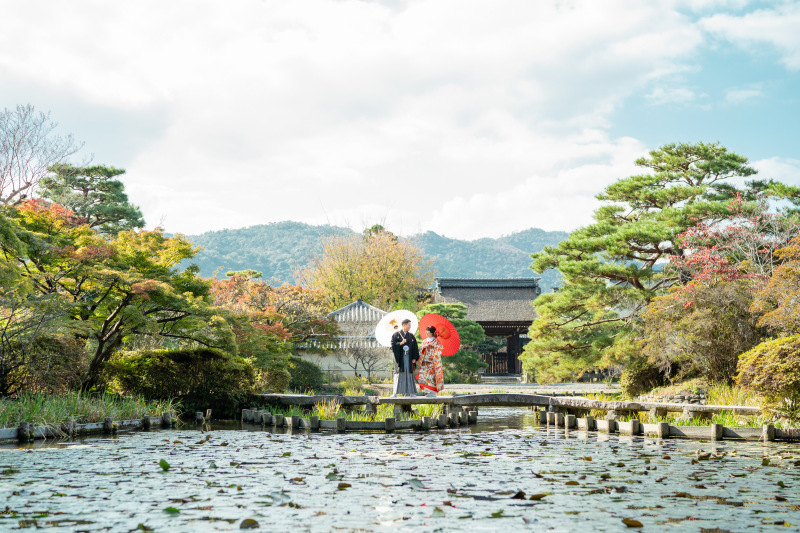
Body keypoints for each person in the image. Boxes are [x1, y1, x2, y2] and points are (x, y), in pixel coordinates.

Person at [390, 318, 419, 396]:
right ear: (404, 325)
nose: (410, 326)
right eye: (409, 325)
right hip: (400, 358)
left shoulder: (411, 336)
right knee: (399, 374)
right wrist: (400, 343)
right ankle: (395, 393)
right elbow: (392, 345)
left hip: (409, 358)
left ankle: (411, 392)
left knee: (409, 374)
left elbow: (415, 347)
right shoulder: (396, 335)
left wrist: (414, 358)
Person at [417, 326, 444, 397]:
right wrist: (425, 346)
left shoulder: (436, 341)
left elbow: (440, 349)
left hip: (432, 362)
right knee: (425, 376)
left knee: (432, 377)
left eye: (427, 331)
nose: (426, 332)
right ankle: (428, 392)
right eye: (426, 331)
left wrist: (435, 346)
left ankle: (433, 393)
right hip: (425, 361)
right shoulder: (425, 340)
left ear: (432, 332)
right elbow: (420, 347)